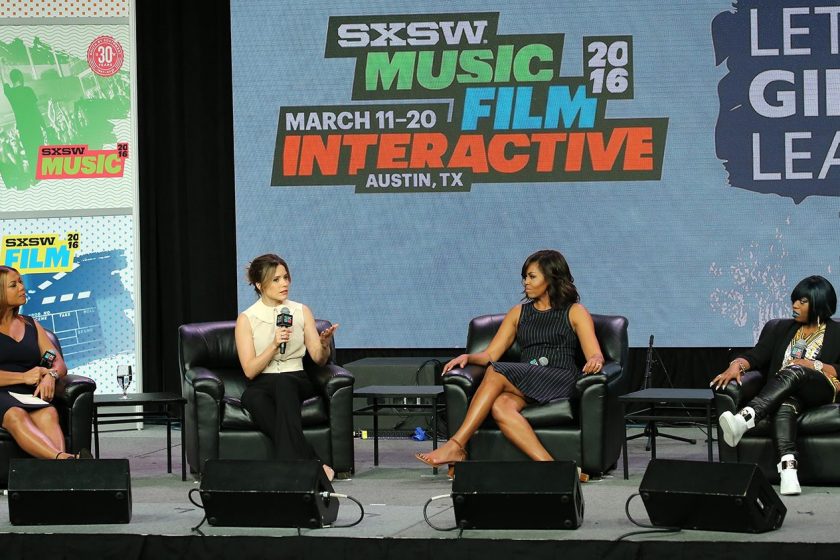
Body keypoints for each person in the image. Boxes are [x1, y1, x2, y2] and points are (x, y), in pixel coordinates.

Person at [415, 250, 605, 475]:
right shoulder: (518, 313)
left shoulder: (575, 311)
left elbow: (595, 354)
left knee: (496, 372)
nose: (525, 282)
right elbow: (490, 355)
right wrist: (468, 357)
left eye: (532, 276)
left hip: (559, 377)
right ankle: (554, 469)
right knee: (501, 405)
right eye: (524, 277)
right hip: (527, 381)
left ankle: (457, 445)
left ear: (552, 277)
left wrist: (595, 359)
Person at [713, 275, 839, 495]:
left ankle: (745, 418)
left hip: (823, 389)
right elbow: (756, 355)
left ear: (819, 303)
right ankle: (789, 471)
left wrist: (812, 365)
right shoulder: (781, 329)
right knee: (784, 404)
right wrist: (737, 365)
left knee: (797, 369)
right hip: (784, 392)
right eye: (794, 300)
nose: (794, 305)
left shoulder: (837, 333)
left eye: (802, 301)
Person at [234, 254, 339, 481]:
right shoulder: (247, 319)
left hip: (295, 377)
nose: (284, 284)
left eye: (286, 278)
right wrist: (274, 345)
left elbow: (319, 359)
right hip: (262, 380)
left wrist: (324, 345)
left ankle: (285, 474)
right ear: (259, 285)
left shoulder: (301, 311)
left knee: (284, 384)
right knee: (253, 398)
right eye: (276, 280)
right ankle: (315, 465)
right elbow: (250, 371)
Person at [0, 265, 86, 460]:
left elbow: (59, 364)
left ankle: (62, 469)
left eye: (21, 282)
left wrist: (50, 375)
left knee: (49, 413)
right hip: (2, 393)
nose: (22, 287)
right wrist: (23, 376)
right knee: (16, 415)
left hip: (27, 393)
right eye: (14, 285)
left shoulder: (31, 324)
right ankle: (65, 460)